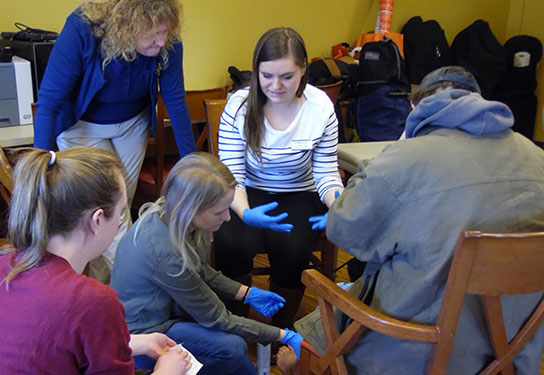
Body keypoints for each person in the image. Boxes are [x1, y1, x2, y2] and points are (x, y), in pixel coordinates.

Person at [278, 66, 544, 375]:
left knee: (307, 339)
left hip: (414, 352)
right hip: (511, 350)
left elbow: (343, 228)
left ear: (415, 108)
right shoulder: (535, 156)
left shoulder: (405, 159)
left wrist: (398, 147)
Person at [0, 147, 191, 375]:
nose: (120, 220)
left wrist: (136, 342)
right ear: (97, 220)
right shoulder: (92, 299)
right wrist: (167, 370)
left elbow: (46, 342)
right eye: (120, 212)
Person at [34, 0, 196, 283]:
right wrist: (41, 164)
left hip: (131, 125)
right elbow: (49, 101)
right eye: (153, 34)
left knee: (118, 209)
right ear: (126, 24)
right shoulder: (82, 27)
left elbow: (175, 100)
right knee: (111, 213)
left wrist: (193, 162)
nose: (162, 42)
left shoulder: (166, 40)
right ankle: (134, 290)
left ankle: (105, 291)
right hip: (81, 128)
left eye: (166, 32)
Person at [110, 152, 304, 375]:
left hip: (168, 311)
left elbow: (199, 270)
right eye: (220, 212)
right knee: (233, 349)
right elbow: (219, 318)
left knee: (238, 358)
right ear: (192, 208)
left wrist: (246, 293)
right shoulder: (166, 255)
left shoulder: (181, 218)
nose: (228, 218)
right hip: (145, 333)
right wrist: (282, 334)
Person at [213, 27, 344, 331]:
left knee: (294, 249)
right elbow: (231, 175)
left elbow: (325, 172)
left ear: (303, 70)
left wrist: (339, 205)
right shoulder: (239, 107)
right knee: (232, 244)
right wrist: (244, 212)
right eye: (267, 75)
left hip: (299, 192)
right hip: (246, 190)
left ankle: (280, 330)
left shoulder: (320, 107)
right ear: (257, 71)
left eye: (286, 76)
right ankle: (239, 326)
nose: (276, 85)